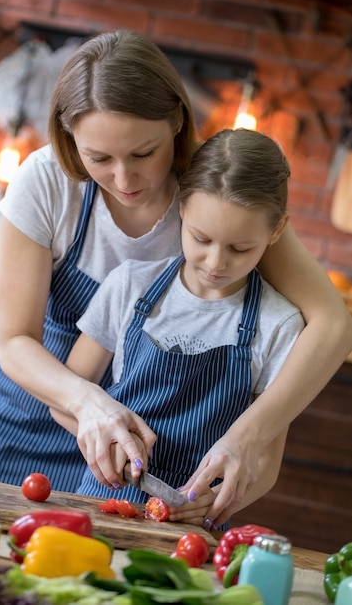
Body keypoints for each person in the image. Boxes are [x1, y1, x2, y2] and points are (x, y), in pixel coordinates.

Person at [0, 29, 350, 527]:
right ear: (70, 139)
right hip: (12, 417)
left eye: (143, 153)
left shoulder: (214, 199)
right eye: (100, 158)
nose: (125, 180)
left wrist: (250, 436)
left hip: (135, 462)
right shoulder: (45, 181)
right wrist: (90, 405)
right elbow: (16, 341)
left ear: (177, 122)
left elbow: (330, 323)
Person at [66, 128, 305, 529]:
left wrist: (215, 501)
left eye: (240, 248)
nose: (215, 262)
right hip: (96, 504)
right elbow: (66, 395)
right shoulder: (130, 285)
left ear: (276, 231)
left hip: (192, 527)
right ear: (182, 208)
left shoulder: (278, 325)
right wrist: (99, 433)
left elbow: (265, 462)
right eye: (201, 238)